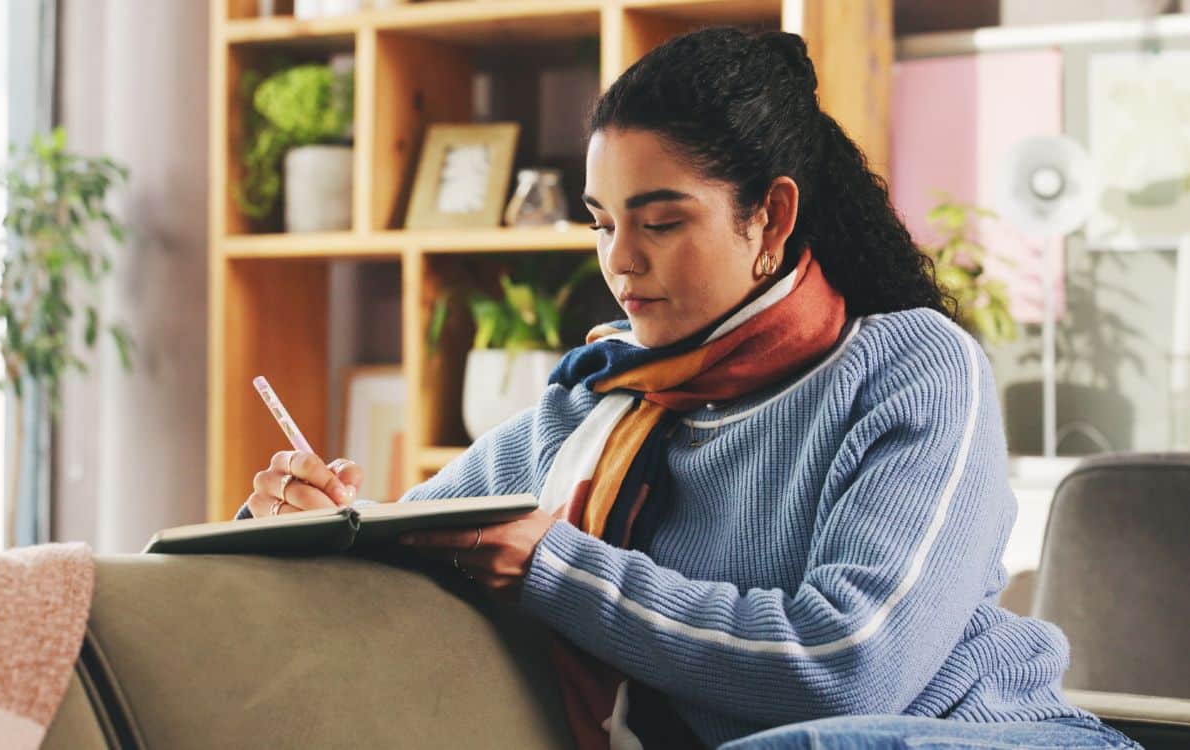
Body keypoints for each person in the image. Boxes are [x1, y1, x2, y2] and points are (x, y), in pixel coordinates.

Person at [236, 27, 1142, 750]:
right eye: (601, 225)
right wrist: (303, 525)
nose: (620, 262)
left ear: (770, 218)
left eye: (661, 222)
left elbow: (849, 667)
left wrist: (556, 566)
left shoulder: (915, 369)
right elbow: (406, 543)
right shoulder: (597, 401)